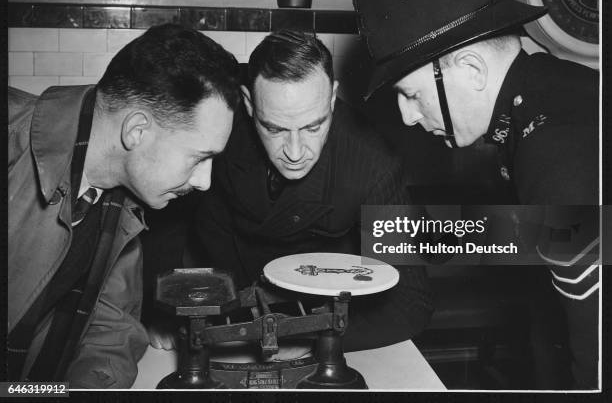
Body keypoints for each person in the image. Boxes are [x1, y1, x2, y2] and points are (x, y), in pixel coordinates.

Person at [352, 0, 599, 388]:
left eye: (410, 94)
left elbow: (597, 362)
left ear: (471, 71)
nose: (407, 116)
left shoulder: (554, 149)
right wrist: (392, 234)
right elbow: (553, 235)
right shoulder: (553, 97)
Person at [160, 30, 433, 353]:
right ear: (248, 103)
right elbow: (167, 218)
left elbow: (411, 304)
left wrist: (299, 338)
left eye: (313, 127)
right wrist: (158, 310)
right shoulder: (217, 121)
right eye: (274, 128)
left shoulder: (373, 164)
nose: (294, 151)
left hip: (319, 314)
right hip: (224, 295)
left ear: (332, 98)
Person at [7, 23, 240, 388]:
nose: (204, 181)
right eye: (199, 157)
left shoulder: (121, 201)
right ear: (136, 131)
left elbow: (110, 330)